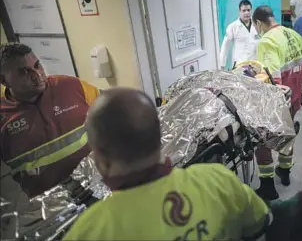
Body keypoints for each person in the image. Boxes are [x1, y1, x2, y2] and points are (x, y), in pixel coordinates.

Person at [63, 88, 272, 241]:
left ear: (98, 156)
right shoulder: (218, 180)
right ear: (159, 135)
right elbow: (259, 224)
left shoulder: (90, 230)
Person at [0, 42, 99, 198]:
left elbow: (113, 112)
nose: (37, 75)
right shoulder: (3, 117)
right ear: (4, 81)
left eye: (37, 65)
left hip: (96, 188)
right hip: (47, 208)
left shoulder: (73, 87)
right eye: (24, 72)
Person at [252, 5, 302, 201]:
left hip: (279, 101)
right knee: (288, 133)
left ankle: (268, 186)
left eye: (256, 26)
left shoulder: (267, 40)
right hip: (294, 97)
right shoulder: (292, 34)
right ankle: (284, 171)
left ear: (259, 23)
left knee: (262, 138)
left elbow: (272, 79)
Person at [219, 0, 260, 70]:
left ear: (251, 11)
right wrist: (222, 65)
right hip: (240, 65)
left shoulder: (257, 25)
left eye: (248, 10)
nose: (246, 13)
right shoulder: (233, 26)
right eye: (244, 10)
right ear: (239, 12)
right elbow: (225, 46)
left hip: (255, 64)